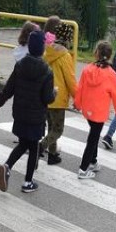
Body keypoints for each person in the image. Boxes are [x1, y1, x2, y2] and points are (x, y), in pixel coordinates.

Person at [0, 30, 56, 194]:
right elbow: (48, 98)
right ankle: (28, 181)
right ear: (42, 49)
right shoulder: (47, 71)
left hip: (20, 114)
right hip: (36, 117)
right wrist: (54, 93)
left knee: (23, 144)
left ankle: (7, 166)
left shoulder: (20, 65)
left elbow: (9, 88)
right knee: (33, 147)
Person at [74, 41, 116, 179]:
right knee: (93, 138)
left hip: (88, 110)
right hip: (100, 112)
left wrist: (77, 104)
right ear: (109, 56)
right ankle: (83, 169)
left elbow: (80, 89)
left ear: (96, 53)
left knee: (94, 133)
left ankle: (93, 161)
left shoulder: (87, 69)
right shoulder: (111, 75)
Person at [42, 21, 76, 165]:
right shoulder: (65, 56)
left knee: (51, 126)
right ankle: (40, 147)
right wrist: (77, 97)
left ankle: (52, 154)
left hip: (46, 96)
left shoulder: (47, 51)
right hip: (58, 98)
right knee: (58, 129)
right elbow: (70, 79)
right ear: (68, 39)